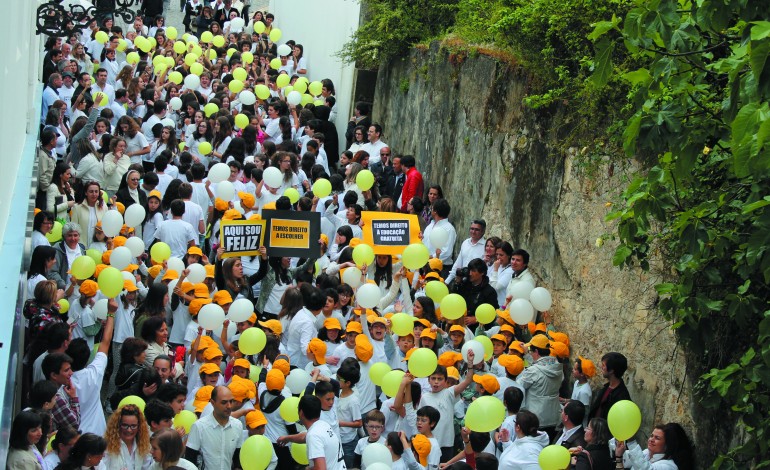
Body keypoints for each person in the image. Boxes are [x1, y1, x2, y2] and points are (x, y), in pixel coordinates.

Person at [185, 385, 244, 468]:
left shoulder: (238, 425)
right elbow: (190, 460)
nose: (229, 406)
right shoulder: (199, 426)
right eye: (224, 402)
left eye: (231, 401)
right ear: (212, 403)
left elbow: (237, 459)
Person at [516, 335, 563, 438]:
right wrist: (527, 354)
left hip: (536, 419)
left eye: (531, 351)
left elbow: (519, 385)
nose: (530, 353)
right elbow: (541, 365)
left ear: (536, 351)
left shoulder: (533, 371)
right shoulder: (558, 367)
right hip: (553, 415)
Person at [614, 423, 694, 470]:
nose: (651, 439)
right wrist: (619, 455)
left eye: (657, 438)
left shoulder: (669, 466)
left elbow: (645, 468)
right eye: (651, 436)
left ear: (667, 445)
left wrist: (631, 442)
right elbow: (626, 461)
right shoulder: (646, 453)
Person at [301, 394, 347, 470]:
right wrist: (287, 438)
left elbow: (321, 468)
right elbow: (305, 437)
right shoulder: (324, 424)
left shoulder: (313, 436)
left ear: (301, 412)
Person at [450, 258, 499, 328]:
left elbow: (493, 313)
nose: (470, 273)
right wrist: (457, 281)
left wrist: (477, 319)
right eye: (469, 270)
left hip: (478, 328)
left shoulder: (489, 291)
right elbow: (453, 298)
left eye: (473, 271)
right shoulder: (464, 285)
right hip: (459, 324)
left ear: (482, 273)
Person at [102, 404, 153, 470]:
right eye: (125, 425)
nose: (129, 430)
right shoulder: (106, 445)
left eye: (133, 426)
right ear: (118, 425)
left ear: (139, 427)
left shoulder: (145, 444)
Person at [589, 352, 631, 421]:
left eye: (603, 365)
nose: (601, 367)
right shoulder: (606, 387)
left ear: (611, 370)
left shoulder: (621, 397)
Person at [445, 220, 487, 284]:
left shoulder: (485, 247)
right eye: (472, 229)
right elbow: (458, 263)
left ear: (483, 231)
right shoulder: (465, 243)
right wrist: (448, 280)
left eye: (477, 230)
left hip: (476, 283)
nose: (473, 232)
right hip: (463, 281)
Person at [70, 181, 107, 248]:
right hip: (81, 245)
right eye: (91, 191)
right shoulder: (77, 208)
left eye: (96, 191)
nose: (94, 194)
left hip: (98, 246)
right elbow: (73, 228)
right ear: (86, 193)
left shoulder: (103, 207)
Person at [422, 198, 456, 270]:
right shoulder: (430, 225)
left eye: (432, 208)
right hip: (426, 264)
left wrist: (431, 257)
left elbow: (447, 252)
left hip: (441, 267)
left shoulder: (449, 229)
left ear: (435, 212)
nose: (430, 210)